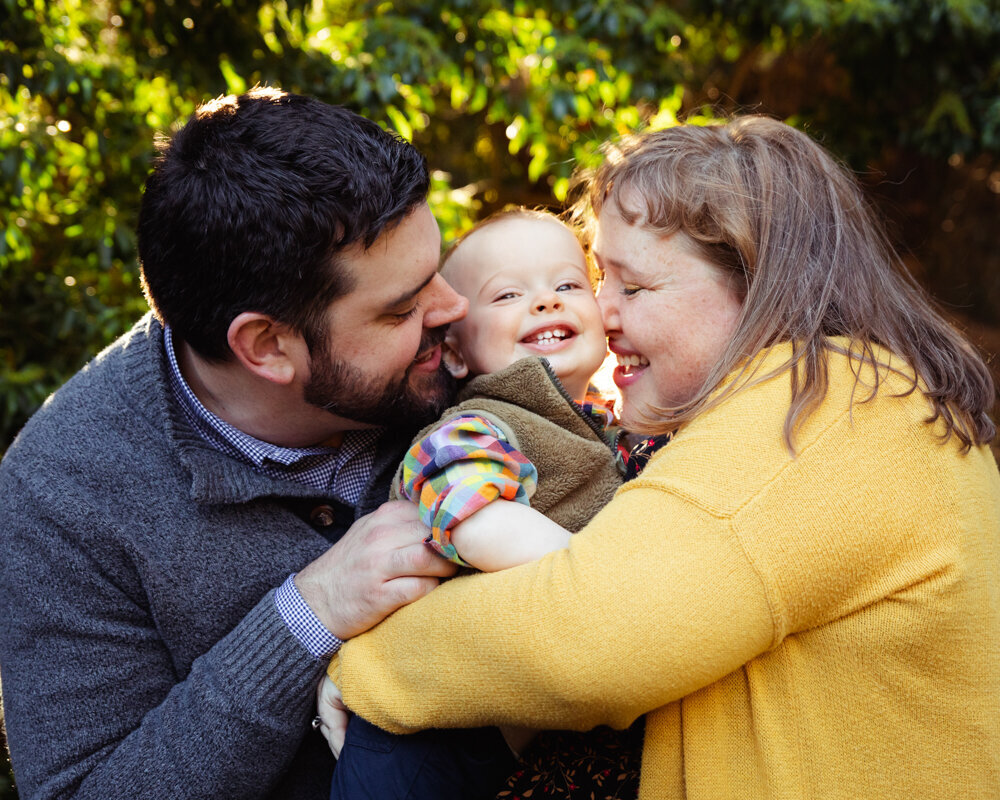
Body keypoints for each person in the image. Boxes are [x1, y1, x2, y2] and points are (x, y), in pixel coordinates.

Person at [322, 116, 1000, 799]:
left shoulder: (818, 409)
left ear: (758, 281)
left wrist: (369, 668)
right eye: (601, 279)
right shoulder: (862, 395)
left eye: (633, 286)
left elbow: (595, 631)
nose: (601, 310)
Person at [0, 87, 468, 800]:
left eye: (438, 265)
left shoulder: (463, 348)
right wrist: (306, 617)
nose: (453, 307)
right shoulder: (61, 497)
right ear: (266, 346)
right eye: (401, 308)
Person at [325, 208, 630, 800]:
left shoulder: (605, 427)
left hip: (510, 718)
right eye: (510, 294)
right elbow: (471, 516)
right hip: (425, 737)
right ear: (456, 354)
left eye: (568, 285)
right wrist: (600, 574)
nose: (546, 303)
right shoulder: (480, 423)